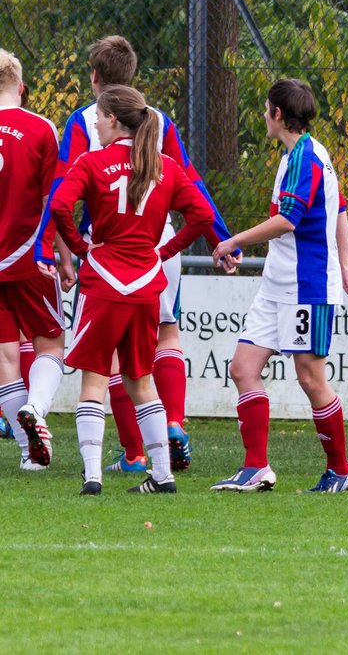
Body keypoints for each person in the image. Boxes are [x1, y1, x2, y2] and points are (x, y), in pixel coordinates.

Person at [36, 35, 238, 475]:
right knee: (167, 334)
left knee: (107, 355)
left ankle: (134, 453)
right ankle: (173, 422)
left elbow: (61, 190)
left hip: (108, 252)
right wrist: (223, 239)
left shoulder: (83, 121)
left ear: (94, 77)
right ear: (132, 77)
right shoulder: (157, 120)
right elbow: (193, 185)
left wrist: (59, 248)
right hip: (157, 243)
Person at [210, 78, 348, 493]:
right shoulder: (298, 155)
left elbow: (289, 220)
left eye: (265, 110)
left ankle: (340, 470)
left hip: (306, 286)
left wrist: (234, 240)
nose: (264, 116)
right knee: (243, 368)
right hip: (276, 285)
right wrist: (347, 264)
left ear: (278, 114)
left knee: (310, 378)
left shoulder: (306, 157)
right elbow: (340, 211)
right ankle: (256, 467)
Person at [0, 48, 67, 472]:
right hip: (29, 257)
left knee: (5, 357)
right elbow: (54, 201)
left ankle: (30, 455)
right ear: (22, 87)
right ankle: (37, 411)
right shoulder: (41, 128)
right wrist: (63, 256)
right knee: (50, 344)